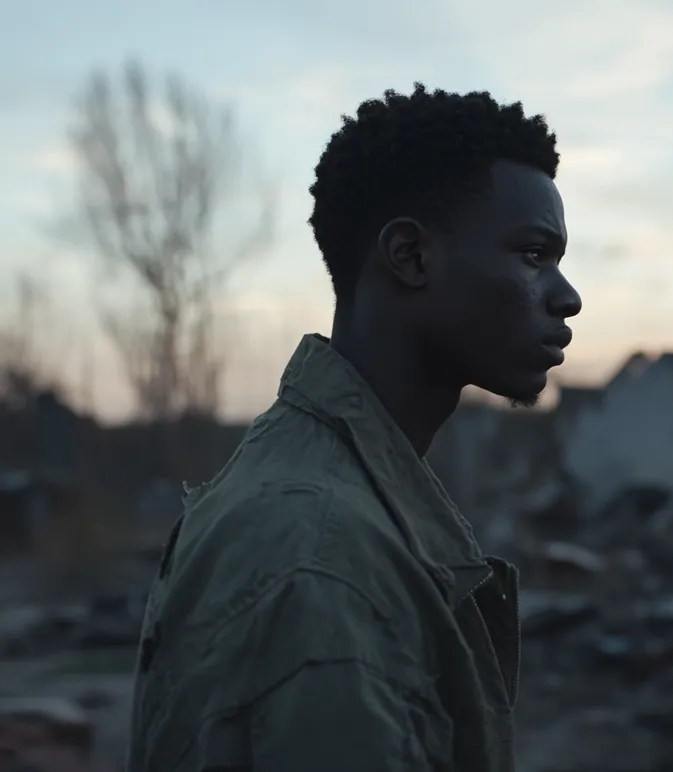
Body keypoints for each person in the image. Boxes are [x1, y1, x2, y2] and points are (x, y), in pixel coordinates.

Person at [126, 83, 582, 772]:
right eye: (532, 255)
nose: (567, 296)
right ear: (412, 256)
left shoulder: (319, 492)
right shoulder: (325, 554)